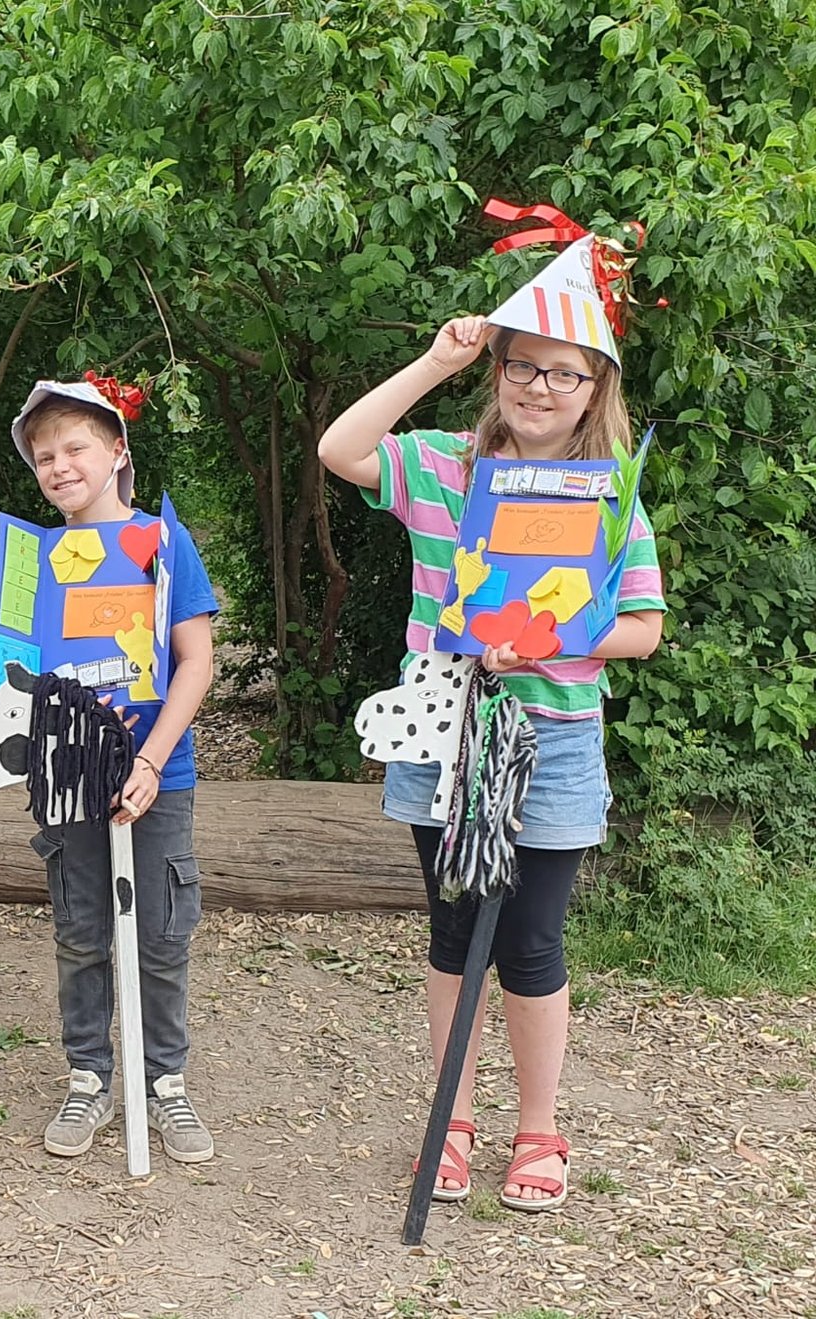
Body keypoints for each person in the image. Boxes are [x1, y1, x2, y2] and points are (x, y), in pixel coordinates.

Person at [317, 233, 665, 1210]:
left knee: (531, 942)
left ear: (592, 387)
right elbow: (339, 450)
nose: (537, 386)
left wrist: (570, 633)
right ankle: (452, 1120)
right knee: (451, 924)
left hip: (551, 738)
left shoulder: (611, 498)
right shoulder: (439, 468)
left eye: (561, 372)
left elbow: (641, 626)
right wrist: (438, 360)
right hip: (442, 726)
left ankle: (539, 1129)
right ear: (499, 371)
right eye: (522, 367)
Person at [9, 378, 221, 1165]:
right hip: (67, 776)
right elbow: (20, 671)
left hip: (156, 775)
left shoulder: (163, 544)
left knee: (163, 934)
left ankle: (165, 1082)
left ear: (116, 453)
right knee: (80, 930)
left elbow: (196, 662)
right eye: (43, 456)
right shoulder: (32, 560)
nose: (59, 466)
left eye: (74, 449)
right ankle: (88, 1077)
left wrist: (151, 758)